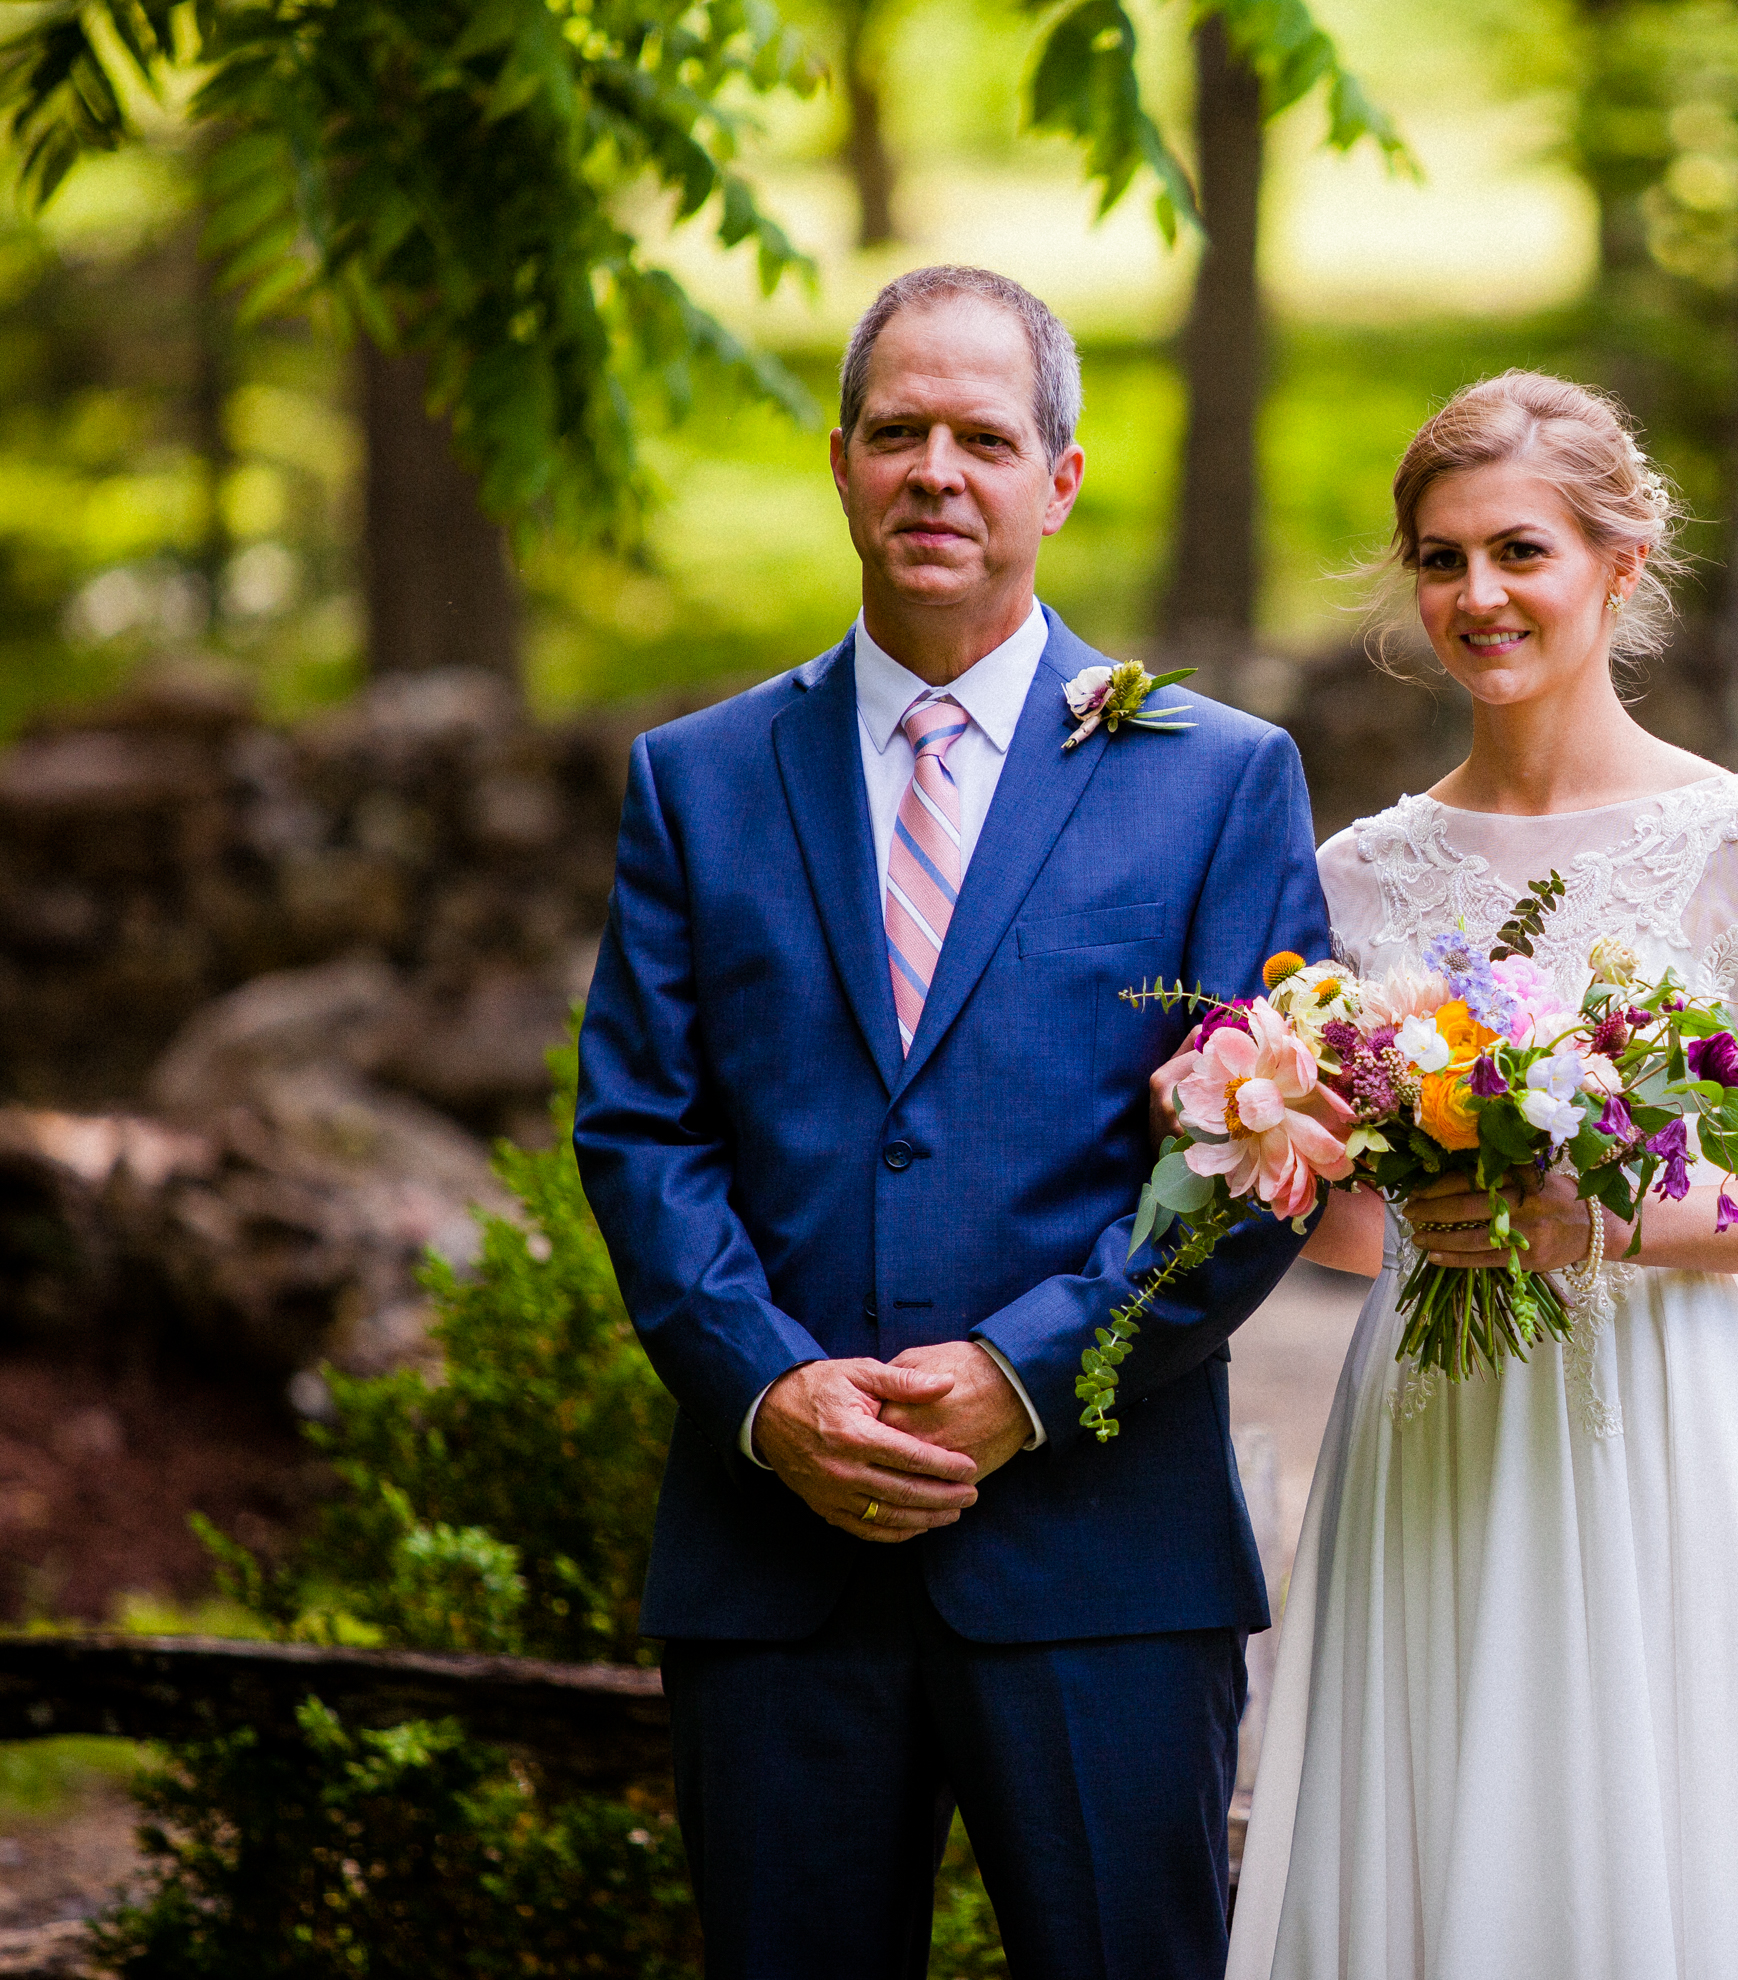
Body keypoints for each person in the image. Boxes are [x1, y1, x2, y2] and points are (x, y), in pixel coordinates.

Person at [574, 264, 1328, 1980]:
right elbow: (640, 1131)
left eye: (982, 437)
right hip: (776, 1564)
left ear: (1057, 481)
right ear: (837, 461)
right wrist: (771, 1392)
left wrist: (1022, 1381)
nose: (937, 471)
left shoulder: (1218, 777)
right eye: (897, 431)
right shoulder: (696, 780)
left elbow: (1260, 1158)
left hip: (1101, 1562)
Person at [1219, 371, 1738, 1978]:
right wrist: (1284, 1124)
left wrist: (1603, 1211)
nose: (1476, 596)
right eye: (1439, 558)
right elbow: (1352, 1242)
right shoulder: (1358, 870)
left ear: (1616, 568)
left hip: (1659, 1419)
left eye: (1518, 552)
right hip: (1425, 1419)